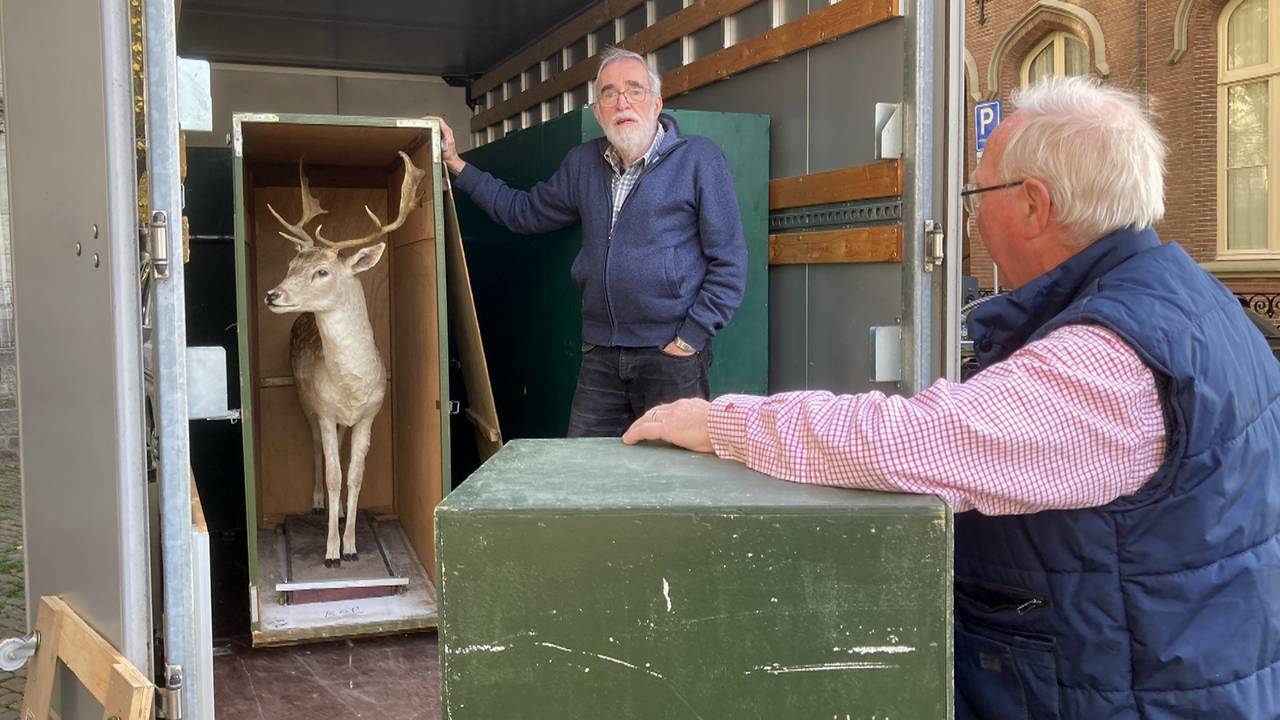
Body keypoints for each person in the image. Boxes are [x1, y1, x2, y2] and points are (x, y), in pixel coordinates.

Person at [623, 76, 1280, 719]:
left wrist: (721, 422)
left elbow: (907, 443)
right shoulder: (1191, 301)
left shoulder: (1108, 363)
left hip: (1128, 690)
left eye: (977, 193)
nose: (972, 213)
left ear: (1034, 205)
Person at [433, 47, 747, 438]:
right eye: (609, 94)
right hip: (600, 355)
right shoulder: (582, 164)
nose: (622, 103)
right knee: (582, 469)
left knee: (672, 472)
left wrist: (689, 338)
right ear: (598, 112)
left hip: (671, 357)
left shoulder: (700, 159)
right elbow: (522, 212)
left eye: (634, 90)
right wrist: (456, 163)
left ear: (656, 102)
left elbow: (730, 262)